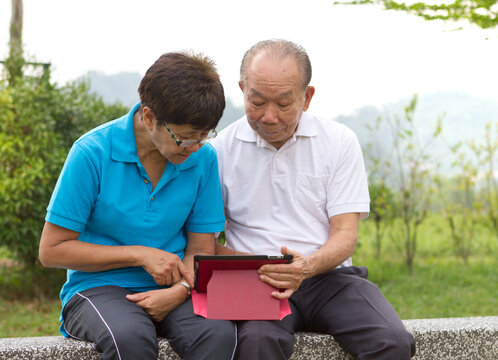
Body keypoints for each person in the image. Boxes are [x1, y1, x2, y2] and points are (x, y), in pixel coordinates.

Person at [211, 39, 416, 360]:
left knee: (393, 341)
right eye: (257, 101)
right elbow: (205, 240)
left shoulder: (339, 142)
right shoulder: (218, 150)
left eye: (283, 103)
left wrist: (306, 266)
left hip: (329, 277)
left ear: (307, 97)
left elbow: (346, 234)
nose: (268, 116)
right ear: (242, 89)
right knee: (256, 342)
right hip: (254, 279)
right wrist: (258, 265)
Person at [39, 51, 236, 360]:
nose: (196, 146)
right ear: (149, 117)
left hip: (177, 287)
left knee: (219, 334)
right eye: (185, 138)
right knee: (129, 339)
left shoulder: (203, 159)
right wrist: (140, 255)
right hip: (97, 287)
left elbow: (200, 249)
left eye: (204, 135)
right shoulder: (92, 153)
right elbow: (52, 250)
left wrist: (181, 291)